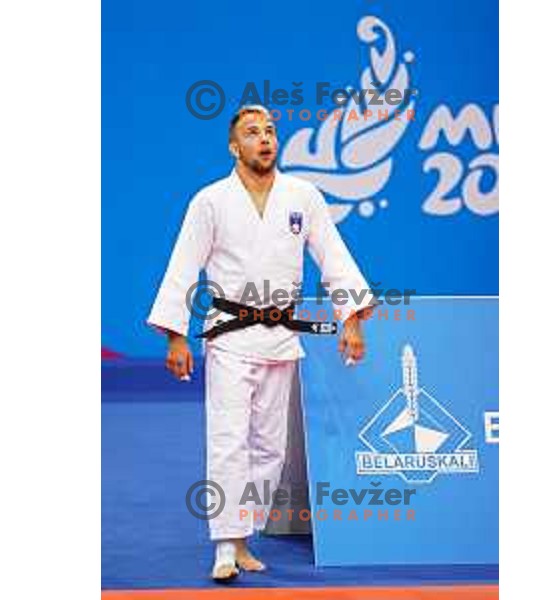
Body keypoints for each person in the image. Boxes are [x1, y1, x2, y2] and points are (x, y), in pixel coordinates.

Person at [148, 104, 375, 581]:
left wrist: (351, 320)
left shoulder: (303, 195)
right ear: (235, 146)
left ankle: (244, 535)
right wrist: (175, 335)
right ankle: (225, 546)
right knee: (229, 440)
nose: (265, 138)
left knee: (271, 448)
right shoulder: (210, 200)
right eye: (253, 132)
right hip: (229, 335)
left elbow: (333, 256)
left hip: (281, 337)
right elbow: (182, 268)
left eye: (270, 131)